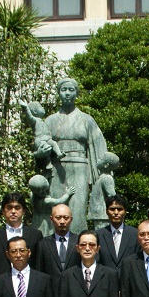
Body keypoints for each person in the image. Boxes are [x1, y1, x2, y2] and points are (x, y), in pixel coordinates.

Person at [41, 78, 109, 236]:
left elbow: (99, 146)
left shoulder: (86, 120)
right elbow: (41, 142)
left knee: (77, 213)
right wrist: (42, 152)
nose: (67, 93)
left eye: (71, 90)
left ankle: (79, 245)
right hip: (56, 169)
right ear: (58, 92)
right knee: (57, 211)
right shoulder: (50, 120)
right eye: (63, 90)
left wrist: (103, 173)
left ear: (76, 93)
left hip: (80, 168)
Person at [0, 193, 43, 279]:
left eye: (17, 208)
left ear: (24, 211)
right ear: (3, 211)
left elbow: (39, 263)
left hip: (30, 284)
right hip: (1, 286)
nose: (13, 211)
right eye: (9, 207)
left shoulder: (35, 235)